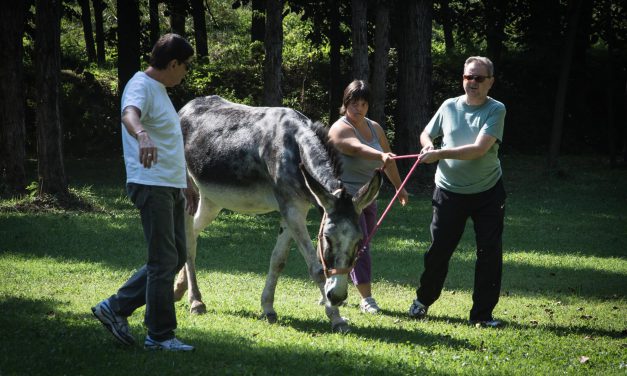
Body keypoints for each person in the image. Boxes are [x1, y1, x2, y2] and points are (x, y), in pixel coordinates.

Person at [91, 33, 199, 351]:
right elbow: (129, 114)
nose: (186, 72)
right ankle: (159, 335)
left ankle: (115, 307)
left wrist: (187, 182)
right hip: (151, 185)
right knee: (163, 259)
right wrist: (141, 135)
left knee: (174, 256)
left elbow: (169, 143)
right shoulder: (140, 84)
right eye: (185, 66)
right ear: (173, 62)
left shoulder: (161, 91)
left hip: (169, 184)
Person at [408, 56, 506, 327]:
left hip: (487, 192)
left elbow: (478, 149)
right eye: (467, 77)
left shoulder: (496, 110)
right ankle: (422, 301)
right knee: (438, 250)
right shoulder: (449, 106)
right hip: (449, 191)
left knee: (489, 252)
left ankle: (482, 315)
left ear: (490, 82)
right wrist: (428, 145)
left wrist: (439, 152)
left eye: (478, 78)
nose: (472, 82)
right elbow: (427, 133)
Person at [329, 80, 409, 314]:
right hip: (345, 199)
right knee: (360, 245)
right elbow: (354, 147)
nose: (359, 108)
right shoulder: (339, 128)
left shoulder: (375, 128)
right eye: (354, 103)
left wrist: (399, 187)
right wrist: (380, 154)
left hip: (368, 196)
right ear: (346, 103)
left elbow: (388, 161)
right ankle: (367, 299)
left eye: (364, 104)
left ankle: (333, 288)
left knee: (359, 244)